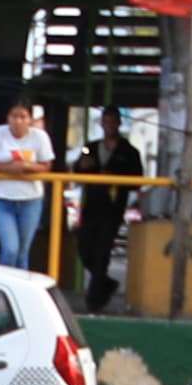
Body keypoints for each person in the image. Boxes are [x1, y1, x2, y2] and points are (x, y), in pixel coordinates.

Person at [71, 110, 142, 311]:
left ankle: (94, 301)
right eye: (105, 121)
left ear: (119, 124)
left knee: (103, 252)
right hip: (91, 205)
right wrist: (83, 166)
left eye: (112, 121)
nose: (108, 125)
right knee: (85, 249)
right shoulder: (90, 148)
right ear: (101, 124)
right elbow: (77, 172)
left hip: (112, 208)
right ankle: (106, 283)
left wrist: (115, 175)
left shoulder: (129, 152)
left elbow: (138, 179)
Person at [0, 97, 56, 271]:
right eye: (14, 116)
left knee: (22, 252)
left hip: (31, 200)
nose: (18, 121)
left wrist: (27, 166)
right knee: (10, 249)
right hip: (3, 200)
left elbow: (47, 165)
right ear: (7, 118)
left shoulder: (39, 137)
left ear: (30, 120)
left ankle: (19, 291)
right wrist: (8, 168)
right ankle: (2, 286)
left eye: (23, 117)